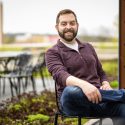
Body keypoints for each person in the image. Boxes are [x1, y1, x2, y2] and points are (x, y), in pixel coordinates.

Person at [45, 9, 125, 125]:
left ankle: (118, 97)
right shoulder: (52, 52)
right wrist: (85, 86)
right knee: (71, 91)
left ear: (77, 26)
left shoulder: (88, 47)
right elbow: (61, 75)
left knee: (122, 107)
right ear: (57, 27)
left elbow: (101, 72)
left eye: (72, 23)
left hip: (99, 101)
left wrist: (105, 83)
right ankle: (121, 95)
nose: (68, 26)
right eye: (64, 23)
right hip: (75, 103)